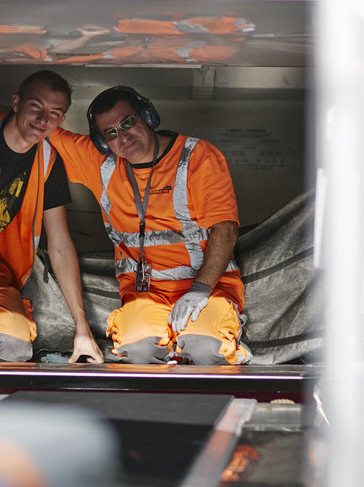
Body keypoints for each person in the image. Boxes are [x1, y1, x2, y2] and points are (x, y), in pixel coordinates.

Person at [47, 86, 251, 365]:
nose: (124, 137)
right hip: (144, 295)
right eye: (112, 133)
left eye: (128, 122)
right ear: (103, 142)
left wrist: (200, 290)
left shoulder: (197, 156)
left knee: (205, 349)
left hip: (207, 291)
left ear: (147, 116)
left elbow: (225, 229)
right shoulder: (101, 164)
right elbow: (35, 124)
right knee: (138, 352)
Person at [0, 71, 104, 363]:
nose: (42, 120)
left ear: (60, 121)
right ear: (16, 103)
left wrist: (82, 330)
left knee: (14, 347)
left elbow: (61, 246)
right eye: (36, 106)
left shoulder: (48, 161)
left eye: (54, 113)